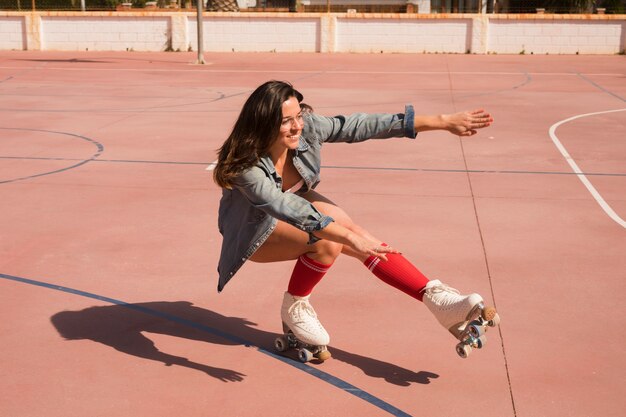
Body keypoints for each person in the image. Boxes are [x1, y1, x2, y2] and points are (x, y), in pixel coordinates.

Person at [213, 80, 497, 358]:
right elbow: (282, 205)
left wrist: (442, 121)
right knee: (330, 238)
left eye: (298, 115)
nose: (297, 125)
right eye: (286, 121)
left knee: (346, 228)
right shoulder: (246, 165)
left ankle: (436, 299)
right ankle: (295, 306)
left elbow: (358, 126)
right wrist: (348, 238)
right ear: (264, 123)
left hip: (297, 215)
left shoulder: (308, 128)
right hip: (253, 235)